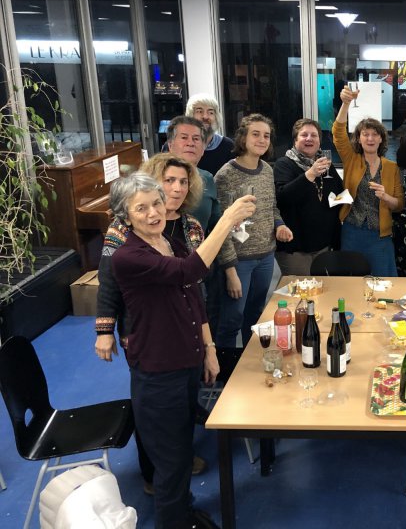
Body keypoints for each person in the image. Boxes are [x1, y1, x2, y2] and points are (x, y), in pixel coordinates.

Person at [110, 172, 255, 529]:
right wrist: (227, 220)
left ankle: (184, 511)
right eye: (141, 208)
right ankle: (174, 521)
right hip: (158, 372)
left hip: (187, 362)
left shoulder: (169, 243)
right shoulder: (128, 257)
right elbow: (190, 270)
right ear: (125, 217)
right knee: (172, 462)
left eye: (156, 203)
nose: (153, 213)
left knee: (181, 447)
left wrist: (209, 349)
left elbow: (193, 298)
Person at [95, 154, 206, 494]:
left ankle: (177, 461)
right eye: (169, 181)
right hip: (146, 332)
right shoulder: (122, 235)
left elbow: (193, 282)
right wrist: (104, 330)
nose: (176, 189)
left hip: (182, 324)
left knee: (179, 407)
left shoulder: (187, 225)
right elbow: (109, 281)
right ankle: (153, 473)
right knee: (155, 409)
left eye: (182, 182)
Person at [215, 114, 293, 348]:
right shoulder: (226, 175)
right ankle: (226, 366)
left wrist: (280, 224)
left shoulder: (267, 170)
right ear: (243, 138)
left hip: (266, 257)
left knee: (257, 315)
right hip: (239, 261)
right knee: (232, 319)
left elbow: (272, 207)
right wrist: (230, 271)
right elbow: (220, 227)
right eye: (255, 134)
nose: (262, 140)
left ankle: (251, 361)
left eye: (266, 136)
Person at [333, 86, 404, 277]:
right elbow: (338, 133)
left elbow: (399, 204)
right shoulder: (351, 159)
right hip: (352, 231)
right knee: (351, 282)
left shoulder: (391, 167)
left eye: (375, 134)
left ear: (381, 139)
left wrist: (386, 197)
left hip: (380, 236)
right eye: (365, 134)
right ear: (359, 139)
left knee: (383, 283)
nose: (370, 138)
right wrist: (346, 103)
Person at [273, 118, 344, 276]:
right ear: (295, 140)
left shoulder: (326, 165)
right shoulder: (284, 164)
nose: (309, 138)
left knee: (323, 288)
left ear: (319, 141)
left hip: (323, 244)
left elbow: (339, 194)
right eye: (304, 135)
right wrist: (310, 174)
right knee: (302, 289)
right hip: (295, 247)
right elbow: (283, 198)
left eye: (314, 135)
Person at [165, 115, 220, 233]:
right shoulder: (155, 177)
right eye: (184, 137)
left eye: (196, 139)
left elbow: (216, 225)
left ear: (203, 149)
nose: (190, 143)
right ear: (170, 145)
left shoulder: (207, 178)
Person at [186, 93, 235, 177]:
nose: (205, 116)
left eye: (211, 112)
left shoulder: (228, 146)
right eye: (199, 111)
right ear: (190, 115)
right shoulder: (176, 144)